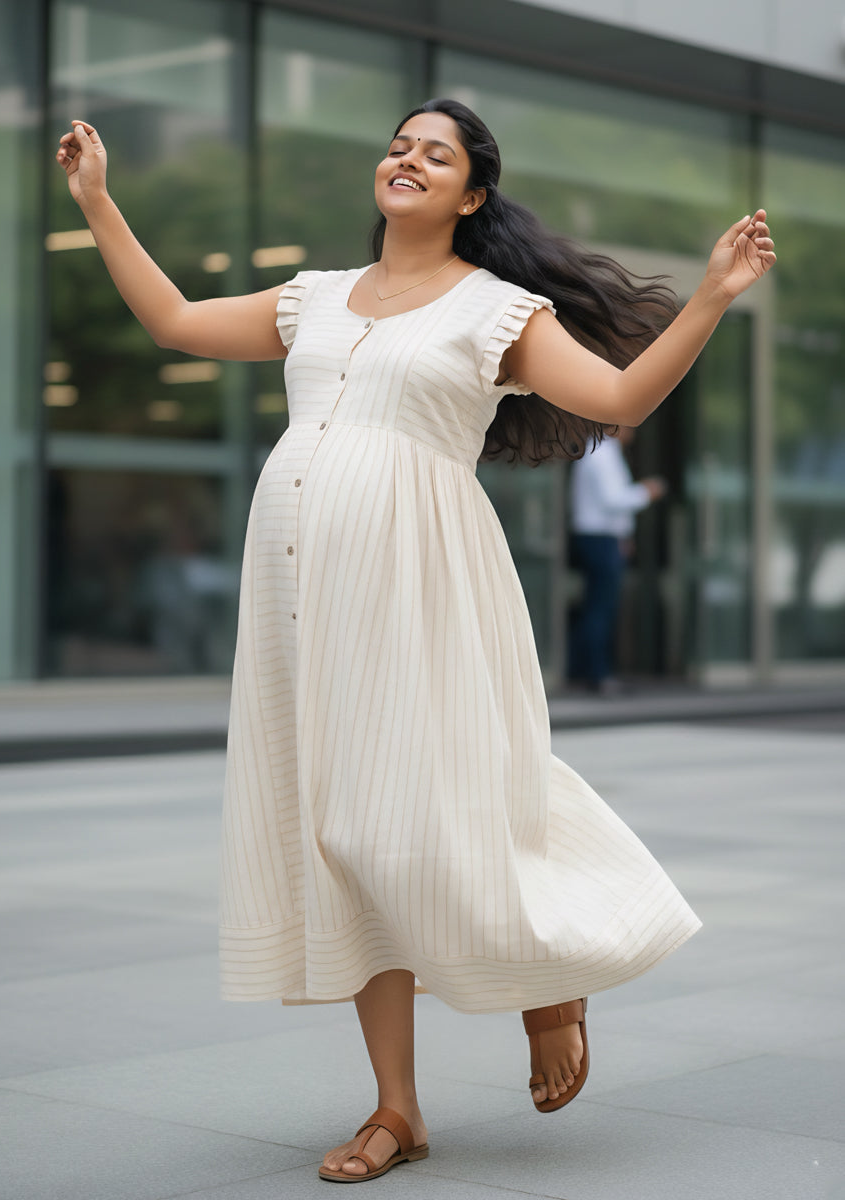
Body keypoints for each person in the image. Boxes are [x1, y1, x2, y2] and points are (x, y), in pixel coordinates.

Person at [56, 98, 775, 1183]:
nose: (408, 159)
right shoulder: (314, 301)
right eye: (399, 144)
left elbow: (623, 392)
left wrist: (713, 296)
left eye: (435, 154)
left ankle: (549, 980)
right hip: (305, 595)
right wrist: (100, 204)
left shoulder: (499, 313)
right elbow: (176, 323)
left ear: (470, 194)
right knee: (341, 834)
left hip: (429, 582)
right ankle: (397, 1109)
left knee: (444, 806)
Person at [568, 426, 667, 693]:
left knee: (597, 606)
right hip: (600, 538)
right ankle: (596, 674)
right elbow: (613, 500)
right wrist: (646, 492)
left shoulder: (601, 451)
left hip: (603, 537)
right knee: (601, 607)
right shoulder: (601, 452)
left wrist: (622, 536)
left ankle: (589, 671)